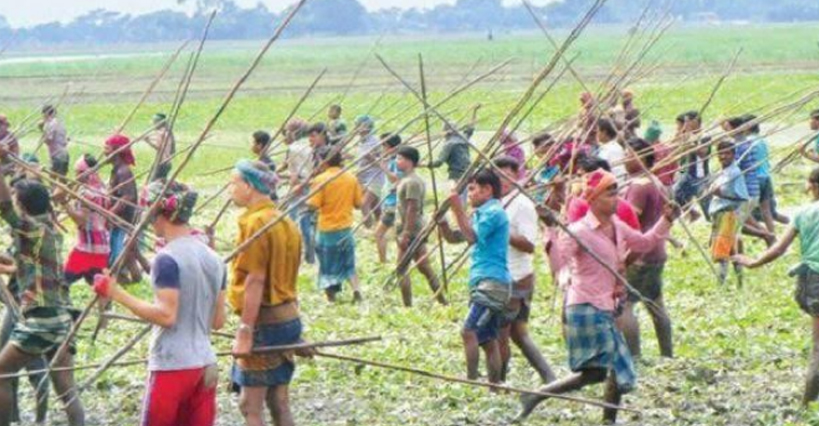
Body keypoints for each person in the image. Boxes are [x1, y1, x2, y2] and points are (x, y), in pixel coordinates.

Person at [516, 169, 677, 424]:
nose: (617, 199)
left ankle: (539, 395)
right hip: (585, 306)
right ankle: (608, 420)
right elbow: (559, 265)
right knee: (618, 364)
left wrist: (666, 220)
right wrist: (550, 229)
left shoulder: (617, 226)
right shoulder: (578, 231)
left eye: (616, 193)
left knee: (596, 374)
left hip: (606, 307)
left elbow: (644, 243)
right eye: (610, 194)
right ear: (594, 199)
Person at [91, 181, 225, 426]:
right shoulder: (214, 258)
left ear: (156, 213)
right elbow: (218, 321)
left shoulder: (167, 258)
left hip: (173, 366)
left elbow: (166, 315)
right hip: (206, 365)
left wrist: (116, 293)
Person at [0, 172, 85, 426]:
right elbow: (32, 266)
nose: (14, 204)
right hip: (61, 319)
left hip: (42, 320)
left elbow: (4, 208)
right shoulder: (47, 230)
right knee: (67, 389)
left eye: (17, 201)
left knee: (1, 373)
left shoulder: (32, 230)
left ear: (23, 206)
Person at [228, 160, 307, 426]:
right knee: (279, 401)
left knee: (250, 405)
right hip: (288, 318)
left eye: (234, 183)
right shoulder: (285, 220)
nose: (231, 189)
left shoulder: (256, 223)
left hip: (264, 321)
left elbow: (255, 279)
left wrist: (245, 330)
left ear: (249, 186)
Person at [733, 166, 819, 406]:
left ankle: (807, 405)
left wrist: (752, 263)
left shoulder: (804, 213)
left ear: (812, 185)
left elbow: (779, 248)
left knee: (818, 349)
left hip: (813, 282)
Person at [438, 169, 511, 384]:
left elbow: (471, 237)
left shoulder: (494, 212)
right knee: (488, 340)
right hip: (484, 280)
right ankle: (494, 386)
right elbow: (456, 238)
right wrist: (443, 223)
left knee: (468, 331)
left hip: (492, 283)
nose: (469, 194)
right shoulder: (482, 213)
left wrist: (457, 208)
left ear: (487, 190)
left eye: (472, 189)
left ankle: (470, 380)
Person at [493, 156, 556, 384]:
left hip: (515, 277)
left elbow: (529, 245)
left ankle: (497, 383)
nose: (502, 180)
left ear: (517, 176)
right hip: (505, 274)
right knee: (518, 334)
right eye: (498, 175)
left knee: (499, 333)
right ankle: (550, 377)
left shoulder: (522, 204)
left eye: (507, 176)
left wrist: (502, 231)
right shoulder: (497, 202)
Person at [619, 137, 673, 359]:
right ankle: (666, 355)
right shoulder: (656, 182)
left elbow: (632, 220)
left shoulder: (639, 186)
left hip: (639, 254)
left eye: (629, 155)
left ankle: (634, 356)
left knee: (625, 306)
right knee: (655, 304)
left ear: (642, 157)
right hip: (656, 250)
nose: (624, 159)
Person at [306, 147, 365, 303]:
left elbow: (313, 205)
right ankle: (357, 290)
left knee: (327, 265)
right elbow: (359, 204)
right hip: (346, 228)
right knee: (348, 262)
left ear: (324, 161)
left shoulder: (320, 180)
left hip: (327, 229)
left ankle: (331, 297)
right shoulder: (351, 178)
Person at [394, 146, 447, 307]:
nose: (397, 162)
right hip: (413, 229)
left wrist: (406, 233)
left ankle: (407, 306)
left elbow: (413, 208)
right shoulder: (408, 180)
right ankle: (442, 301)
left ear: (409, 161)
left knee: (401, 269)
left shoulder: (412, 182)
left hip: (412, 230)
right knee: (424, 267)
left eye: (399, 158)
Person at [0, 255, 49, 425]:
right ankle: (15, 417)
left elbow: (33, 267)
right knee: (6, 367)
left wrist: (10, 269)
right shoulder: (21, 241)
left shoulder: (36, 239)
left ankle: (40, 419)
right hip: (18, 307)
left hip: (30, 311)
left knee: (34, 366)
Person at [59, 155, 110, 286]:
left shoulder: (87, 193)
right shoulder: (102, 187)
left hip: (87, 247)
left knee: (63, 282)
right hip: (102, 245)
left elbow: (81, 220)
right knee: (99, 286)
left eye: (80, 172)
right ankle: (106, 307)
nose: (77, 176)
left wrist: (64, 203)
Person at [706, 140, 749, 286]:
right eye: (720, 153)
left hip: (727, 215)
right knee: (731, 249)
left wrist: (721, 194)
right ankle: (740, 282)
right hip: (718, 214)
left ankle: (721, 284)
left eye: (727, 153)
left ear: (733, 154)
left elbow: (742, 196)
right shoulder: (721, 171)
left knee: (722, 251)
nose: (723, 156)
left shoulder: (735, 173)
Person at [104, 134, 143, 284]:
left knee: (120, 254)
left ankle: (123, 280)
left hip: (125, 219)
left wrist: (110, 212)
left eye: (107, 148)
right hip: (119, 219)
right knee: (128, 252)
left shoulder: (123, 172)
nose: (104, 152)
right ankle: (136, 278)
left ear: (117, 151)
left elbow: (127, 197)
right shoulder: (116, 170)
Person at [283, 118, 315, 265]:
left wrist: (293, 188)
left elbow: (293, 174)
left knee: (292, 221)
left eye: (288, 131)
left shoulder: (293, 149)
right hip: (312, 185)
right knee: (307, 222)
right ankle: (311, 256)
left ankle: (292, 255)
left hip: (299, 186)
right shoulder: (311, 146)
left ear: (293, 132)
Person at [673, 111, 711, 222]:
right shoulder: (687, 135)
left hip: (701, 176)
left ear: (695, 121)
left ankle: (711, 221)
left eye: (687, 121)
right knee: (676, 194)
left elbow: (703, 153)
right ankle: (692, 213)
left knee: (705, 204)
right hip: (687, 172)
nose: (686, 124)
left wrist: (690, 142)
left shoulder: (705, 136)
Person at [375, 134, 403, 264]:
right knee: (398, 235)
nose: (382, 148)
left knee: (380, 233)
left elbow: (396, 179)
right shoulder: (395, 159)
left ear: (390, 146)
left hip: (394, 204)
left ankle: (384, 262)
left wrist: (383, 167)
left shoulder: (397, 161)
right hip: (391, 202)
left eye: (384, 145)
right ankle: (398, 260)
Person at [353, 115, 385, 229]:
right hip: (363, 178)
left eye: (358, 126)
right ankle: (381, 227)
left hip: (375, 178)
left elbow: (383, 161)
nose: (355, 128)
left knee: (364, 204)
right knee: (375, 206)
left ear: (366, 128)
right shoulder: (360, 142)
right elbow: (359, 158)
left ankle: (369, 229)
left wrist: (372, 158)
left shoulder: (376, 142)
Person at [427, 122, 471, 199]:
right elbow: (470, 130)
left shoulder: (449, 144)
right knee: (463, 196)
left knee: (456, 196)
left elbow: (439, 162)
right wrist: (474, 112)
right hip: (468, 172)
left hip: (456, 174)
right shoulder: (463, 139)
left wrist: (425, 164)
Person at [40, 105, 70, 177]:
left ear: (46, 114)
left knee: (52, 178)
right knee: (62, 178)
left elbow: (49, 140)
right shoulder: (60, 123)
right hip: (64, 154)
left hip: (56, 155)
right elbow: (65, 141)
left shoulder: (49, 124)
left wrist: (42, 131)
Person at [145, 113, 176, 182]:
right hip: (167, 162)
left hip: (161, 162)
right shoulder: (168, 132)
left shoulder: (161, 133)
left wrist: (148, 141)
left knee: (154, 183)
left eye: (155, 122)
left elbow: (159, 148)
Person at [596, 118, 627, 183]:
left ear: (604, 132)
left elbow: (618, 173)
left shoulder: (614, 149)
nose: (596, 134)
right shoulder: (604, 147)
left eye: (598, 131)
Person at [251, 130, 279, 200]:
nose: (251, 145)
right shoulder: (264, 161)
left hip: (265, 199)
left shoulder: (265, 163)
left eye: (253, 142)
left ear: (259, 145)